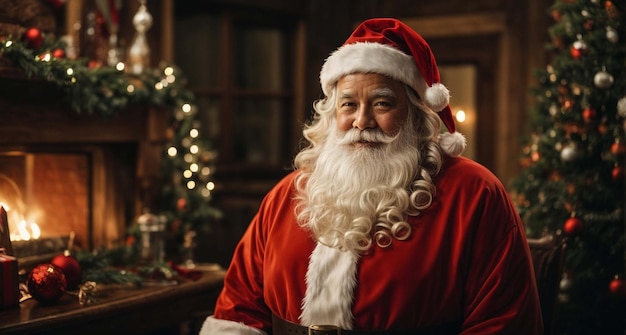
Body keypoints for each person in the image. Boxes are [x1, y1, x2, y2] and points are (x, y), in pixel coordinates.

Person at [200, 18, 543, 335]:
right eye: (348, 104)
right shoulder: (286, 195)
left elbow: (502, 323)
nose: (362, 120)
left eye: (382, 103)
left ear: (416, 115)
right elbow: (238, 311)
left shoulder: (475, 194)